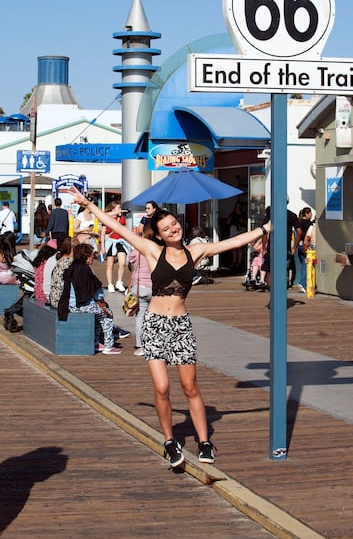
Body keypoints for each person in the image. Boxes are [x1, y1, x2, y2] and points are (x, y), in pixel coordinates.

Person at [68, 186, 272, 468]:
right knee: (162, 388)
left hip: (181, 326)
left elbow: (235, 242)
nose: (172, 229)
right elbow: (114, 225)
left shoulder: (196, 251)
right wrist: (88, 204)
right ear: (160, 234)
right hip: (154, 324)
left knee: (190, 387)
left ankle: (204, 441)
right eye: (166, 228)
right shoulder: (152, 251)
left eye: (174, 224)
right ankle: (169, 441)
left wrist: (267, 228)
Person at [57, 242, 121, 355]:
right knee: (107, 315)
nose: (93, 258)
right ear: (87, 257)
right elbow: (96, 291)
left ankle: (96, 343)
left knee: (97, 316)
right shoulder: (86, 270)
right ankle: (109, 346)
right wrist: (101, 301)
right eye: (92, 256)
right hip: (81, 305)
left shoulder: (71, 267)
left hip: (69, 305)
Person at [128, 224, 153, 356]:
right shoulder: (158, 250)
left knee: (140, 317)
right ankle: (154, 344)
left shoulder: (138, 250)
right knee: (154, 317)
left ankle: (141, 346)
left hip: (139, 287)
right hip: (154, 287)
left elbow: (130, 261)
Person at [100, 201, 129, 293]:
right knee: (110, 265)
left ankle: (119, 281)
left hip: (120, 241)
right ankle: (110, 284)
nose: (120, 210)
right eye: (118, 208)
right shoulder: (107, 218)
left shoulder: (122, 218)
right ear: (113, 209)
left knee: (122, 263)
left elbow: (124, 229)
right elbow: (103, 233)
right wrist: (102, 246)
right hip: (110, 242)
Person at [292, 207, 313, 294]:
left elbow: (298, 233)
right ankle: (303, 283)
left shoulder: (299, 222)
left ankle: (300, 281)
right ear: (307, 214)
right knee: (306, 264)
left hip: (299, 245)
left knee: (302, 264)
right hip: (306, 245)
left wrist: (295, 247)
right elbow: (309, 235)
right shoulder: (309, 223)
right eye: (310, 213)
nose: (311, 215)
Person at [49, 238, 74, 308]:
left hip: (54, 298)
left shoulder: (61, 260)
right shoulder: (70, 262)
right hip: (62, 301)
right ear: (72, 249)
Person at [226, 201, 247, 270]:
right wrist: (229, 219)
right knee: (234, 247)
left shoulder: (243, 214)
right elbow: (228, 223)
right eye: (237, 207)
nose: (238, 208)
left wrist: (242, 221)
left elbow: (247, 223)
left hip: (241, 230)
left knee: (240, 247)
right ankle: (234, 262)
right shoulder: (232, 214)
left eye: (239, 207)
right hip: (234, 230)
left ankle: (239, 263)